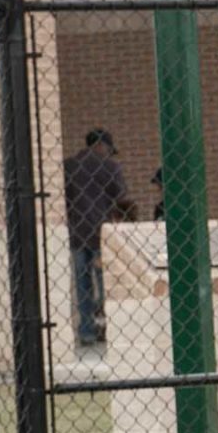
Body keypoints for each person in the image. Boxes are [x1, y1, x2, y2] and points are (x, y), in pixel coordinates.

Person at [62, 128, 135, 349]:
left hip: (77, 234)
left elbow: (63, 199)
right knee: (106, 285)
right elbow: (123, 200)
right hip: (103, 236)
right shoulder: (110, 167)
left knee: (83, 285)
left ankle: (86, 332)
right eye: (109, 149)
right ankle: (108, 327)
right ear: (101, 145)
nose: (110, 154)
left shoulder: (69, 166)